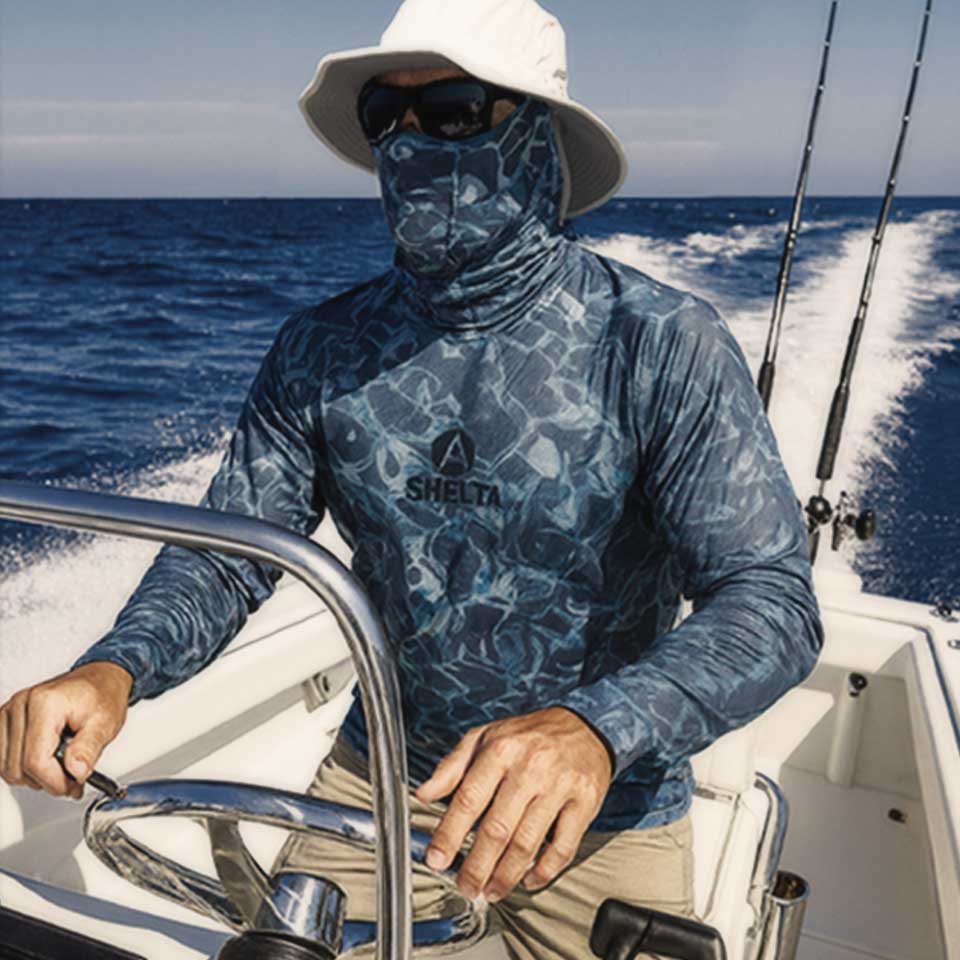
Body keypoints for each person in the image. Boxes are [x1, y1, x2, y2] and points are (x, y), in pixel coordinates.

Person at [0, 1, 823, 957]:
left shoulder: (660, 343)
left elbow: (771, 602)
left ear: (538, 140)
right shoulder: (322, 348)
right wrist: (114, 669)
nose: (410, 140)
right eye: (385, 114)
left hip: (607, 816)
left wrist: (594, 731)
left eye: (456, 110)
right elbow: (231, 558)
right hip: (380, 784)